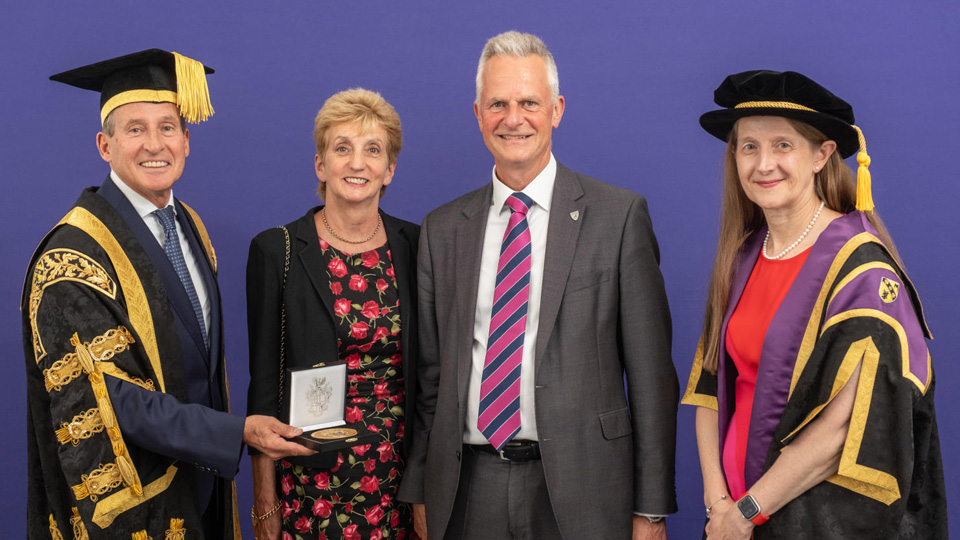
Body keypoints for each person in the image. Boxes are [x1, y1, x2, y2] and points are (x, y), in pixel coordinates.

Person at [397, 31, 678, 540]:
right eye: (498, 104)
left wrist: (652, 508)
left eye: (529, 102)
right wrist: (419, 485)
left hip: (586, 487)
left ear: (556, 109)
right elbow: (431, 379)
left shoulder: (618, 217)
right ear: (478, 113)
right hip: (466, 489)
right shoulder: (442, 229)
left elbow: (652, 378)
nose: (514, 118)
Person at [21, 49, 313, 540]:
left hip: (203, 489)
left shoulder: (189, 226)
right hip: (134, 508)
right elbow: (114, 403)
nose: (154, 144)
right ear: (104, 145)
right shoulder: (73, 257)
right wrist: (236, 432)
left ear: (187, 140)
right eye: (135, 129)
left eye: (168, 127)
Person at [682, 70, 947, 539]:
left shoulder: (861, 271)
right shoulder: (742, 256)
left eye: (783, 145)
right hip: (730, 519)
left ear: (822, 155)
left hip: (811, 521)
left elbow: (844, 429)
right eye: (749, 147)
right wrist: (718, 503)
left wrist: (746, 512)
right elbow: (710, 387)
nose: (763, 164)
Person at [246, 88, 421, 540]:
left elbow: (435, 379)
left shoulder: (419, 247)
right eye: (342, 148)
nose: (357, 163)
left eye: (373, 150)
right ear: (321, 165)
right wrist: (265, 502)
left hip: (403, 482)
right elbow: (263, 391)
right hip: (311, 484)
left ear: (390, 170)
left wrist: (426, 487)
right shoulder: (277, 250)